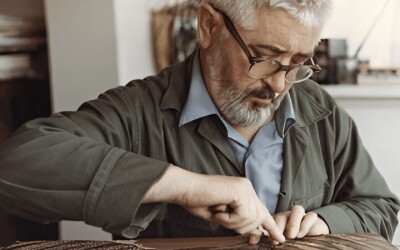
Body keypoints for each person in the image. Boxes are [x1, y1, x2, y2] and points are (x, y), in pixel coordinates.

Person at [0, 0, 399, 246]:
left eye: (299, 64)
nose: (280, 85)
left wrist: (327, 222)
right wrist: (184, 186)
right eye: (264, 57)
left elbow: (381, 208)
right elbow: (15, 166)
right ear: (208, 26)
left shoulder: (321, 112)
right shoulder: (140, 111)